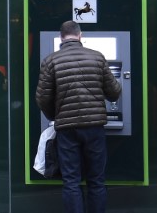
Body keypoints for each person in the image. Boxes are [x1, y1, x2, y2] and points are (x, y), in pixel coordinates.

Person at [35, 20, 122, 213]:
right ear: (80, 36)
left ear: (61, 38)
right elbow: (115, 92)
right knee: (96, 180)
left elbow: (42, 98)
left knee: (71, 181)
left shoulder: (51, 61)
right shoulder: (97, 58)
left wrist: (55, 116)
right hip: (94, 127)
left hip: (67, 128)